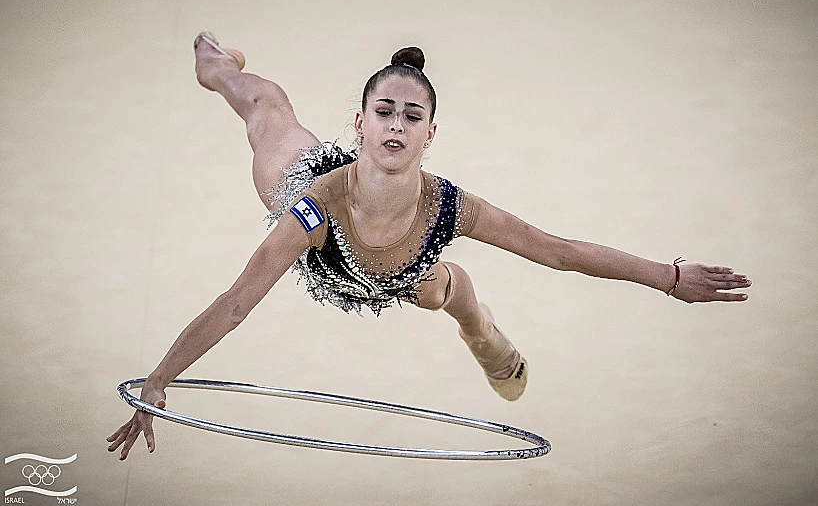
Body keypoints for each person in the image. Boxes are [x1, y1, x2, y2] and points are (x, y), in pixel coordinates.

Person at [107, 33, 752, 460]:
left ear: (429, 134)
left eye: (411, 117)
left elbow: (554, 250)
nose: (395, 125)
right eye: (383, 111)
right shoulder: (311, 208)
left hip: (401, 268)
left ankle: (482, 333)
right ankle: (215, 61)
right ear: (360, 122)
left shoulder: (450, 204)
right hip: (320, 234)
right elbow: (239, 298)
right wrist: (159, 383)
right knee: (266, 110)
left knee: (440, 287)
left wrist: (669, 276)